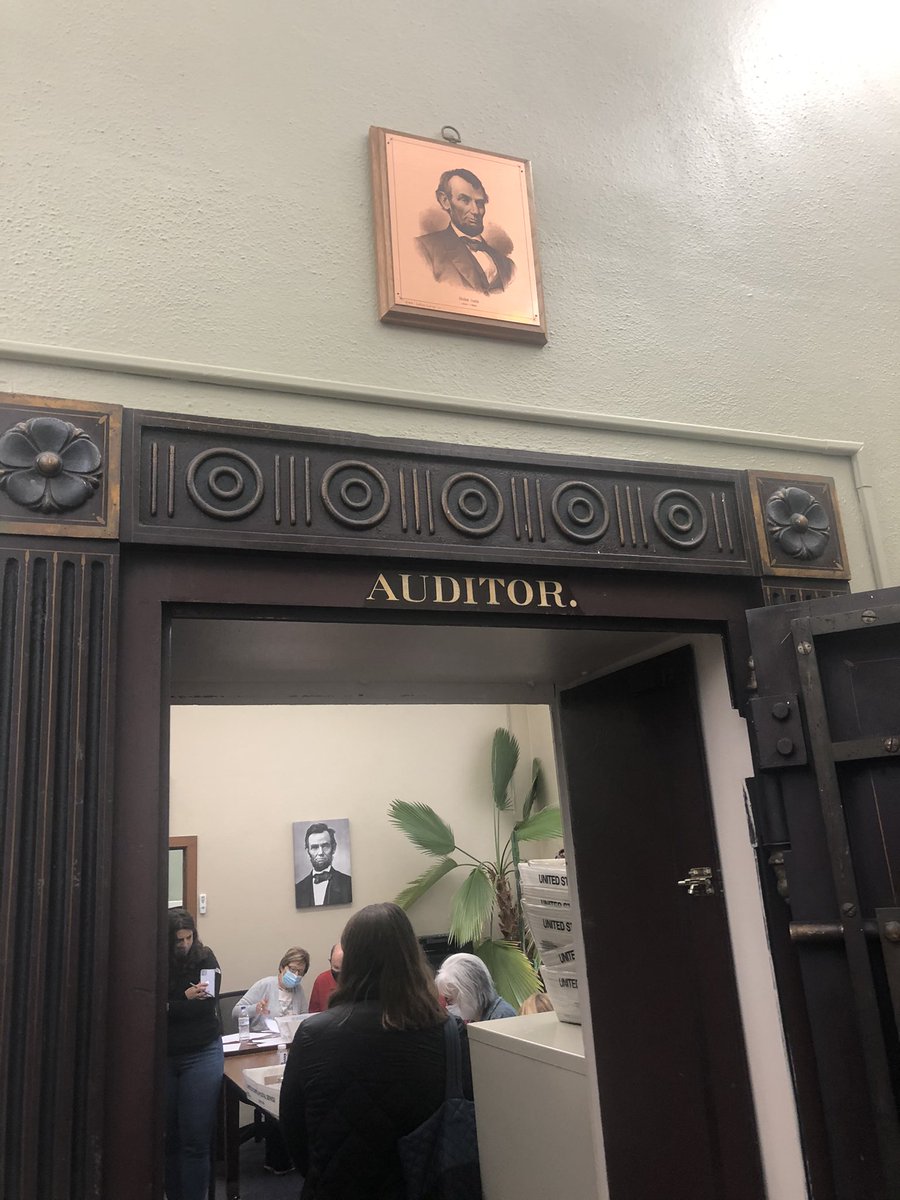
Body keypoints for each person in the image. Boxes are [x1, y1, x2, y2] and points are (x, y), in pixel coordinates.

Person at [280, 902, 474, 1199]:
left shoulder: (312, 1035)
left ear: (351, 962)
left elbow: (293, 1130)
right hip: (423, 1186)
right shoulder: (450, 1033)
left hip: (336, 1187)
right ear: (412, 957)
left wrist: (324, 1171)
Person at [165, 908, 223, 1200]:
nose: (185, 944)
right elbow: (148, 1007)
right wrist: (183, 998)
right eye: (179, 940)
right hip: (165, 1056)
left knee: (196, 1140)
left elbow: (205, 1005)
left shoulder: (205, 958)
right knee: (169, 1138)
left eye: (189, 938)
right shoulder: (155, 960)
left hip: (202, 1052)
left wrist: (171, 1005)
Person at [416, 168, 515, 294]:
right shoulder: (424, 249)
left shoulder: (508, 266)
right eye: (465, 200)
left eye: (479, 203)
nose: (475, 211)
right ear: (445, 201)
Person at [231, 946, 311, 1033]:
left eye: (300, 972)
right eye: (293, 969)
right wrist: (255, 1009)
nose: (296, 975)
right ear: (282, 967)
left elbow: (304, 1019)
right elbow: (235, 1012)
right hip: (264, 1038)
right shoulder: (264, 985)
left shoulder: (298, 989)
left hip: (289, 1038)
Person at [434, 953, 516, 1021]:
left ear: (471, 990)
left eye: (452, 999)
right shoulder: (476, 1017)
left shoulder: (502, 1016)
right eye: (448, 999)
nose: (449, 1006)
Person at [295, 822, 353, 908]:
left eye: (325, 846)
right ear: (308, 852)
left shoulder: (348, 884)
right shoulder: (298, 889)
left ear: (333, 848)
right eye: (315, 847)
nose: (320, 852)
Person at [307, 942, 343, 1013]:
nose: (341, 974)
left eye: (344, 968)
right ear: (330, 962)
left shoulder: (360, 982)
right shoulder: (322, 981)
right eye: (336, 968)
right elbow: (313, 1014)